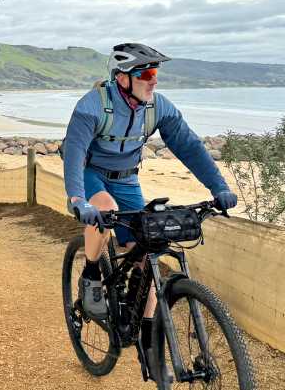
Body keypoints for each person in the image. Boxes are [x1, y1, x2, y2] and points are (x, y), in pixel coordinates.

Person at [62, 42, 238, 353]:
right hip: (92, 173)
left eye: (155, 73)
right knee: (104, 208)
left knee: (146, 246)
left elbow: (189, 147)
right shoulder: (91, 106)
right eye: (147, 73)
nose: (154, 80)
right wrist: (78, 199)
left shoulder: (158, 107)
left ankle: (144, 333)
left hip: (128, 177)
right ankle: (90, 274)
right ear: (122, 78)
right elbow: (74, 155)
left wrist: (218, 187)